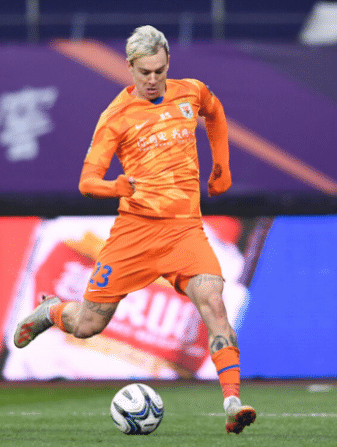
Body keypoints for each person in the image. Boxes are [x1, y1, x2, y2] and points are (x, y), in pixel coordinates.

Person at [13, 25, 256, 434]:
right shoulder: (116, 116)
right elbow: (87, 182)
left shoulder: (191, 92)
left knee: (214, 304)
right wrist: (117, 187)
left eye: (159, 70)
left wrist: (222, 166)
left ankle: (232, 402)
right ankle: (51, 311)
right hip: (135, 235)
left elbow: (214, 112)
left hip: (184, 232)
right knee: (88, 325)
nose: (152, 79)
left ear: (168, 63)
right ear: (129, 67)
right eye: (144, 72)